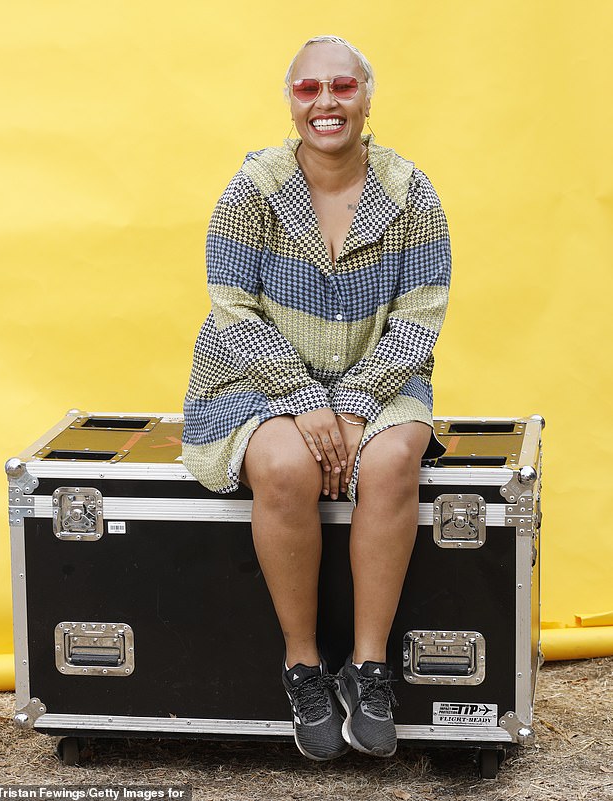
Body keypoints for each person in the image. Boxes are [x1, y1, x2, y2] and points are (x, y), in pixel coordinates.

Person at [182, 35, 451, 761]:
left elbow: (421, 312)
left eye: (341, 87)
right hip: (254, 379)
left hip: (378, 375)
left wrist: (358, 401)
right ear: (291, 100)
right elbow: (232, 308)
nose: (325, 104)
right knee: (286, 467)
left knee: (396, 461)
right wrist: (302, 400)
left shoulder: (412, 193)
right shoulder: (252, 190)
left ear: (366, 96)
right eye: (308, 90)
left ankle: (367, 669)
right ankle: (303, 665)